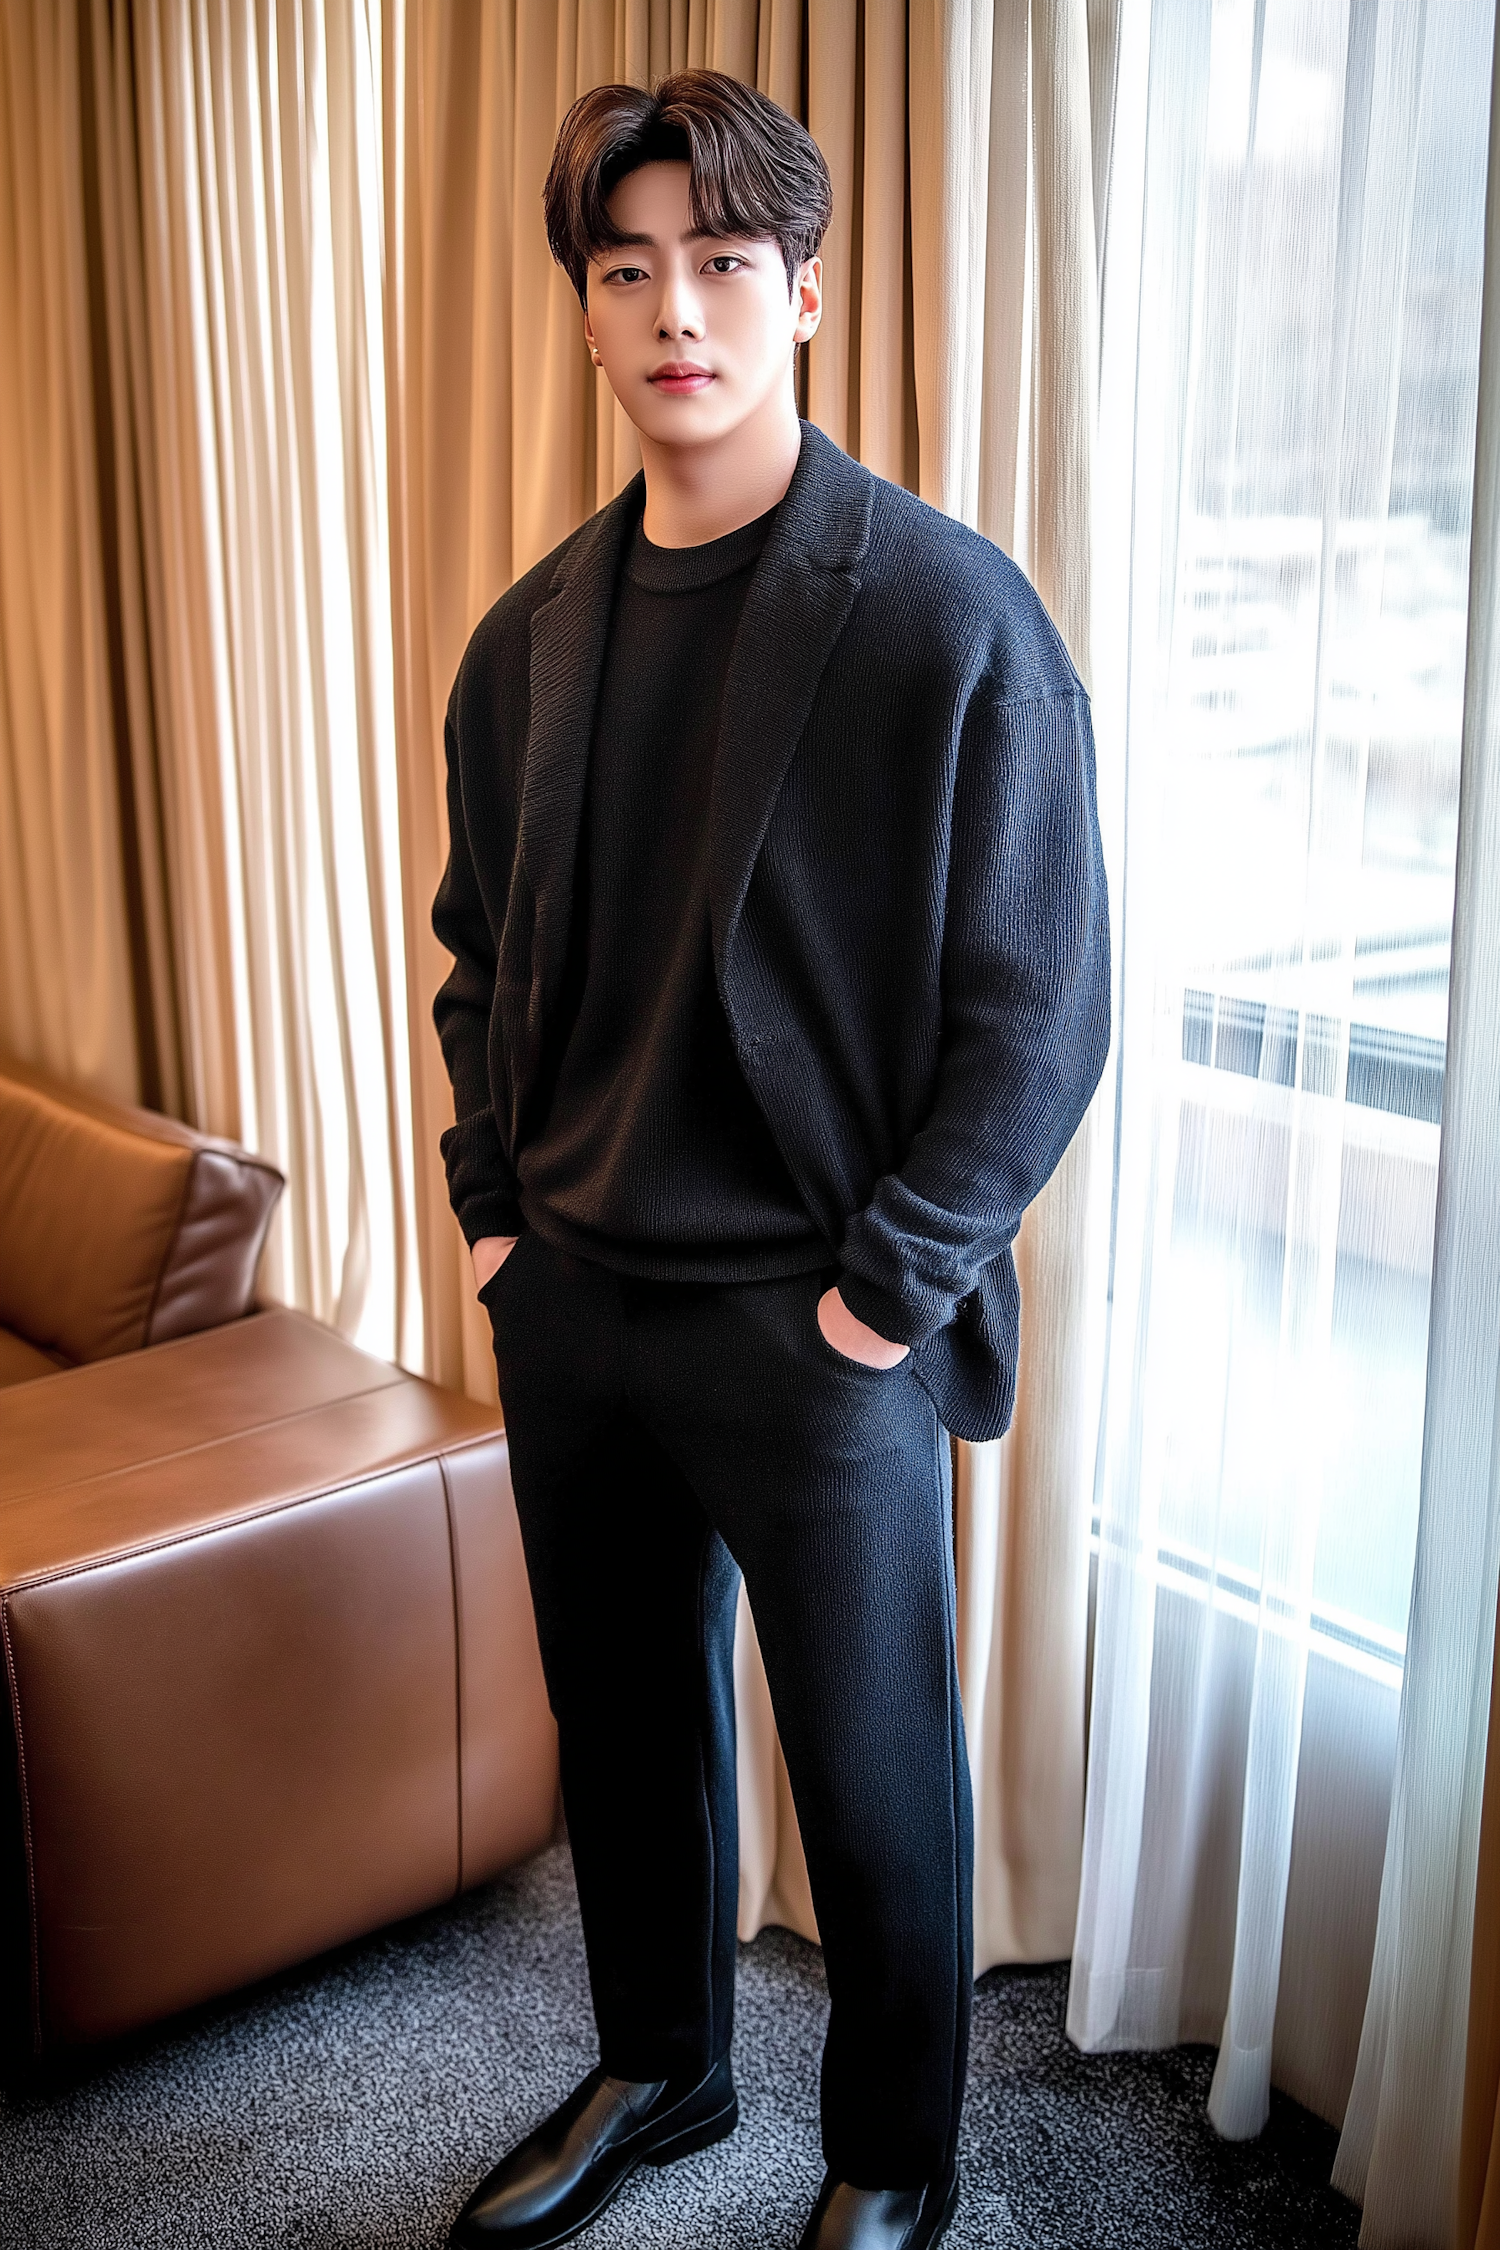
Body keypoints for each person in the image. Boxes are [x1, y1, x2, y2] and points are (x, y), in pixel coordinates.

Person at [432, 68, 1109, 2250]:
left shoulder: (944, 614)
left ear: (804, 296)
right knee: (624, 1734)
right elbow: (481, 956)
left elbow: (1038, 1004)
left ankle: (894, 2159)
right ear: (592, 315)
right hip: (584, 1299)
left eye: (722, 264)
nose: (674, 312)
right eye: (627, 272)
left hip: (816, 1318)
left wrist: (880, 1298)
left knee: (875, 1777)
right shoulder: (525, 644)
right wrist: (494, 1215)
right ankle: (662, 2065)